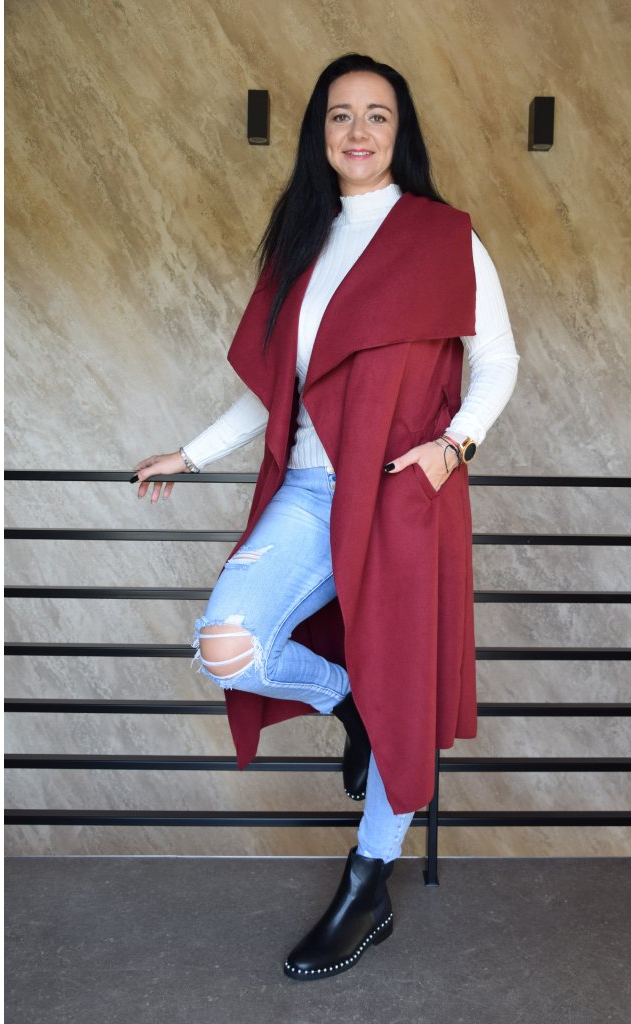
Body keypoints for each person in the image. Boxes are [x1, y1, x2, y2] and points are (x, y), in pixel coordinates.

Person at [131, 53, 518, 980]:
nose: (358, 130)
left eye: (377, 114)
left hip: (402, 491)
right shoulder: (300, 242)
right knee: (228, 640)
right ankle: (348, 700)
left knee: (404, 685)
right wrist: (191, 454)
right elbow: (273, 389)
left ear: (400, 131)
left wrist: (453, 447)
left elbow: (497, 359)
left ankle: (368, 880)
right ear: (320, 133)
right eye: (341, 114)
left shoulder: (444, 236)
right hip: (309, 490)